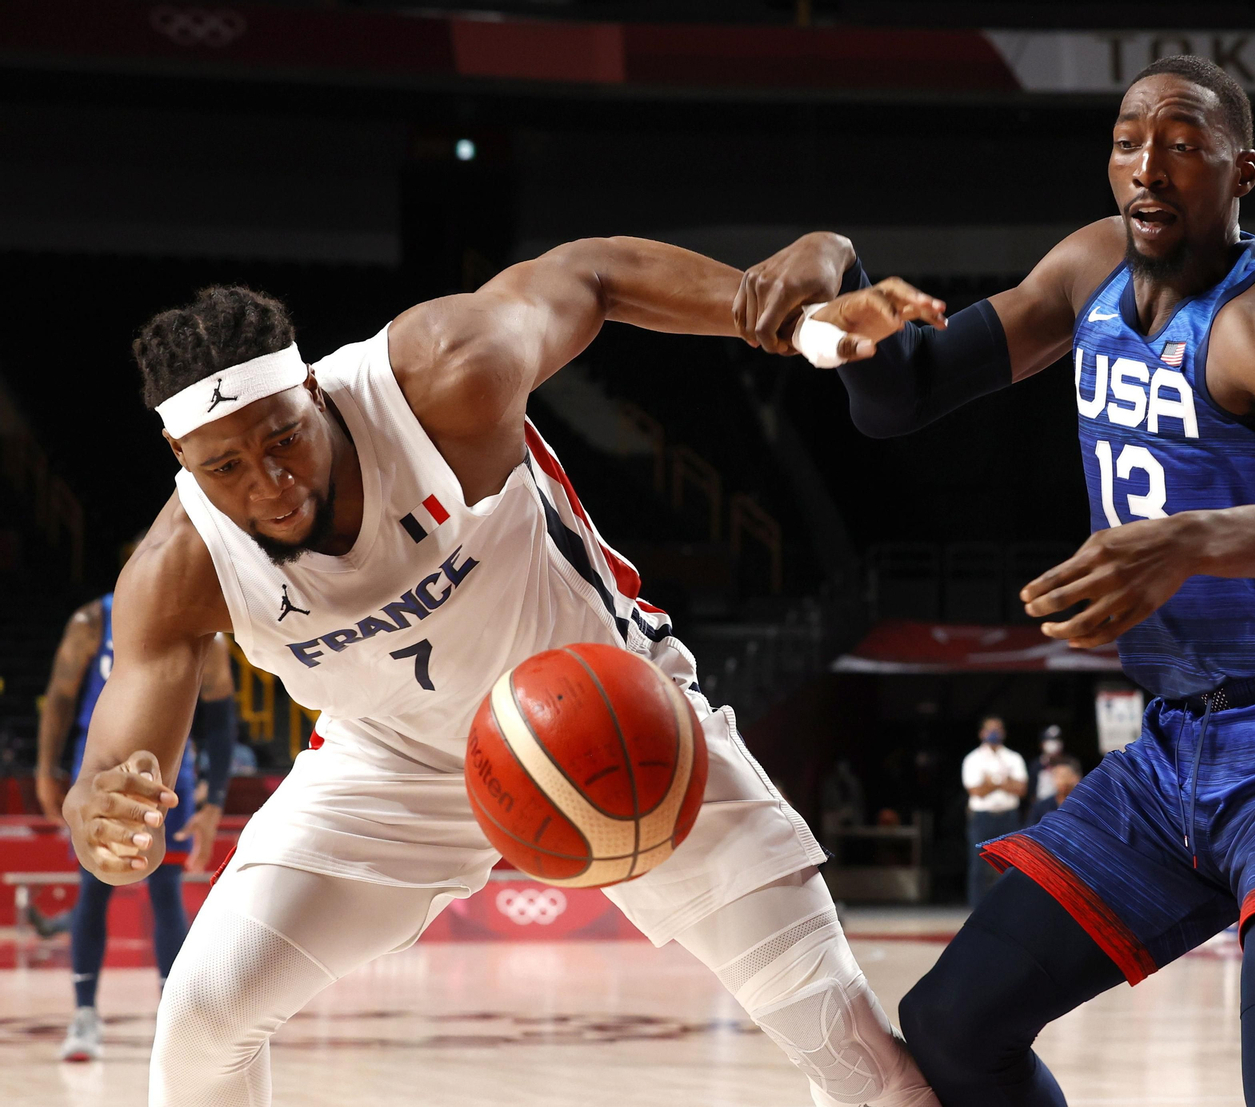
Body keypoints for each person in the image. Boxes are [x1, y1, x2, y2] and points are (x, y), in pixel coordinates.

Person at [735, 53, 1255, 1107]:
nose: (1149, 166)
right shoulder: (1089, 266)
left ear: (1241, 172)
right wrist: (841, 286)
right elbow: (902, 395)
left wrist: (1188, 540)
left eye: (1183, 144)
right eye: (1130, 140)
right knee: (953, 1029)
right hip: (1182, 739)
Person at [62, 253, 935, 1107]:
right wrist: (102, 817)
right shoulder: (181, 568)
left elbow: (594, 278)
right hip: (390, 764)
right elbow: (108, 777)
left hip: (609, 714)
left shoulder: (441, 378)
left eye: (285, 437)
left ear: (318, 390)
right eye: (227, 468)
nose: (272, 482)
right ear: (181, 455)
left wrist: (765, 306)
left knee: (866, 1068)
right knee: (204, 1015)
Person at [34, 594, 235, 1061]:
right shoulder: (91, 621)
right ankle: (84, 1014)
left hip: (168, 772)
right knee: (93, 887)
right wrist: (46, 770)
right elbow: (60, 698)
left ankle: (174, 1018)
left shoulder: (207, 631)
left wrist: (215, 802)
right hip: (99, 768)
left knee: (166, 891)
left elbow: (222, 723)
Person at [960, 717, 1027, 906]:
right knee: (978, 867)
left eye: (998, 729)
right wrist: (1004, 782)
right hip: (982, 818)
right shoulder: (973, 759)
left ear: (1004, 732)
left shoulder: (1013, 757)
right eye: (990, 729)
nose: (994, 733)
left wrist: (990, 781)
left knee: (1012, 865)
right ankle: (977, 908)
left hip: (1008, 817)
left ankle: (1010, 907)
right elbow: (976, 791)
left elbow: (1021, 789)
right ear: (981, 733)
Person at [1027, 758, 1082, 827]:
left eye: (1064, 776)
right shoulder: (1041, 807)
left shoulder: (1087, 806)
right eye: (1056, 776)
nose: (1060, 781)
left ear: (1076, 778)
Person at [1029, 725, 1066, 802]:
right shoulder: (1036, 765)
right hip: (1043, 806)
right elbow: (1031, 791)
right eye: (1050, 741)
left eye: (1057, 740)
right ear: (1042, 744)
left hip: (1063, 804)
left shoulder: (1069, 763)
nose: (1054, 744)